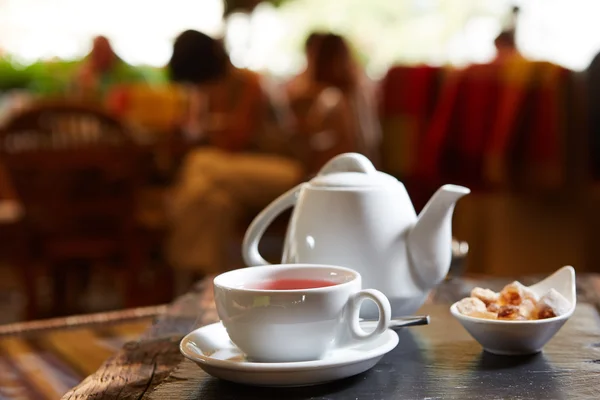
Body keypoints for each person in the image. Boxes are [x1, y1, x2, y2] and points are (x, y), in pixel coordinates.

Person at [164, 30, 304, 291]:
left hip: (283, 171)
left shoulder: (249, 84)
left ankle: (180, 273)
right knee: (215, 201)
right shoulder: (207, 91)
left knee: (200, 162)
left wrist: (201, 131)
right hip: (233, 174)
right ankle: (213, 284)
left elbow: (234, 141)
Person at [286, 33, 381, 172]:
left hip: (339, 169)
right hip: (367, 165)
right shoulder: (358, 91)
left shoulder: (330, 97)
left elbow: (307, 134)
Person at [73, 36, 146, 103]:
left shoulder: (126, 71)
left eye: (103, 50)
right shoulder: (86, 69)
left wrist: (126, 92)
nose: (100, 55)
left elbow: (142, 85)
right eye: (97, 51)